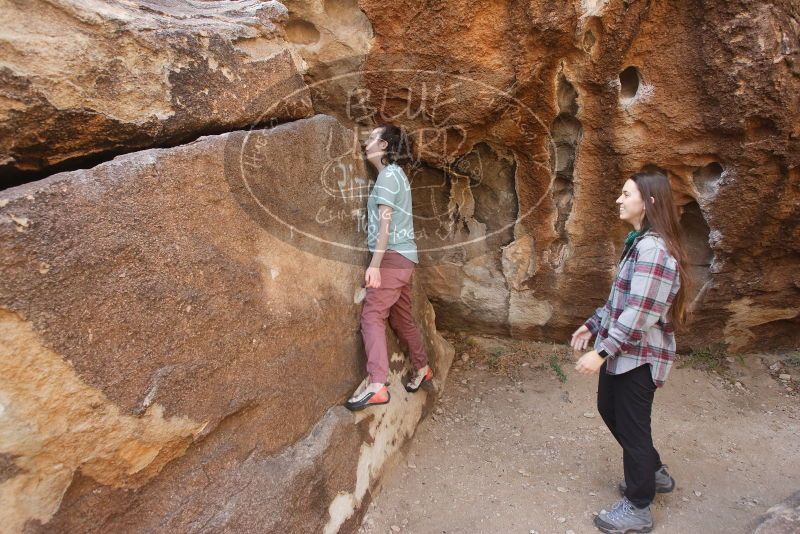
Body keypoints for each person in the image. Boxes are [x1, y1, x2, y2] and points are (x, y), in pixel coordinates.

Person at [571, 168, 690, 533]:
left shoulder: (653, 249)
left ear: (649, 201)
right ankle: (653, 474)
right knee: (611, 410)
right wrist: (593, 324)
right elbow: (621, 300)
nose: (618, 200)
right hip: (627, 353)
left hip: (640, 356)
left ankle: (639, 506)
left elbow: (638, 314)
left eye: (626, 194)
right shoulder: (641, 241)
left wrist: (601, 351)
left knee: (633, 429)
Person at [345, 125, 432, 411]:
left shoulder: (386, 178)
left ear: (382, 145)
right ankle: (422, 368)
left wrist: (375, 265)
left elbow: (385, 224)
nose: (364, 142)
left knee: (372, 314)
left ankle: (377, 384)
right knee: (401, 318)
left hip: (392, 258)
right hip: (406, 259)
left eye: (370, 138)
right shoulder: (398, 175)